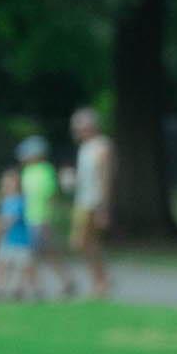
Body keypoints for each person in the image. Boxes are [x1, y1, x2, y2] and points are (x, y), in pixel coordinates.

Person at [68, 104, 117, 298]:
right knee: (85, 243)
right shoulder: (84, 148)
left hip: (94, 202)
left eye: (80, 127)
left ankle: (101, 280)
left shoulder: (102, 146)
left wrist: (103, 207)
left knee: (82, 242)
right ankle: (101, 279)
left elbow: (105, 178)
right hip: (82, 200)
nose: (78, 131)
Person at [25, 125, 75, 295]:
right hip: (29, 218)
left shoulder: (45, 171)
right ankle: (55, 283)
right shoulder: (27, 172)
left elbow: (50, 196)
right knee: (39, 254)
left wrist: (48, 219)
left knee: (40, 254)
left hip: (41, 219)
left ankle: (41, 286)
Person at [0, 143, 39, 296]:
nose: (6, 186)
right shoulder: (6, 201)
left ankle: (31, 289)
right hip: (8, 241)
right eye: (5, 183)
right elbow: (1, 218)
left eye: (10, 183)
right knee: (1, 266)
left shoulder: (19, 201)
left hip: (21, 241)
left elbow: (9, 220)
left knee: (25, 268)